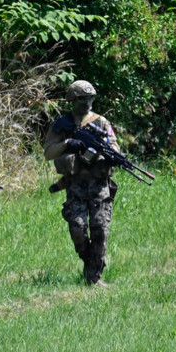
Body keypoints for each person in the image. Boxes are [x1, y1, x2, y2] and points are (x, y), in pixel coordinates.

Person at [44, 80, 119, 286]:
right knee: (77, 228)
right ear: (72, 100)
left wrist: (103, 152)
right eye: (82, 99)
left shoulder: (101, 122)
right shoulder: (62, 124)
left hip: (99, 185)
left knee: (100, 228)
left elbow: (116, 148)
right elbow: (48, 152)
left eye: (90, 99)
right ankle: (89, 261)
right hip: (75, 185)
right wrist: (68, 143)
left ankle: (94, 278)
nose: (87, 103)